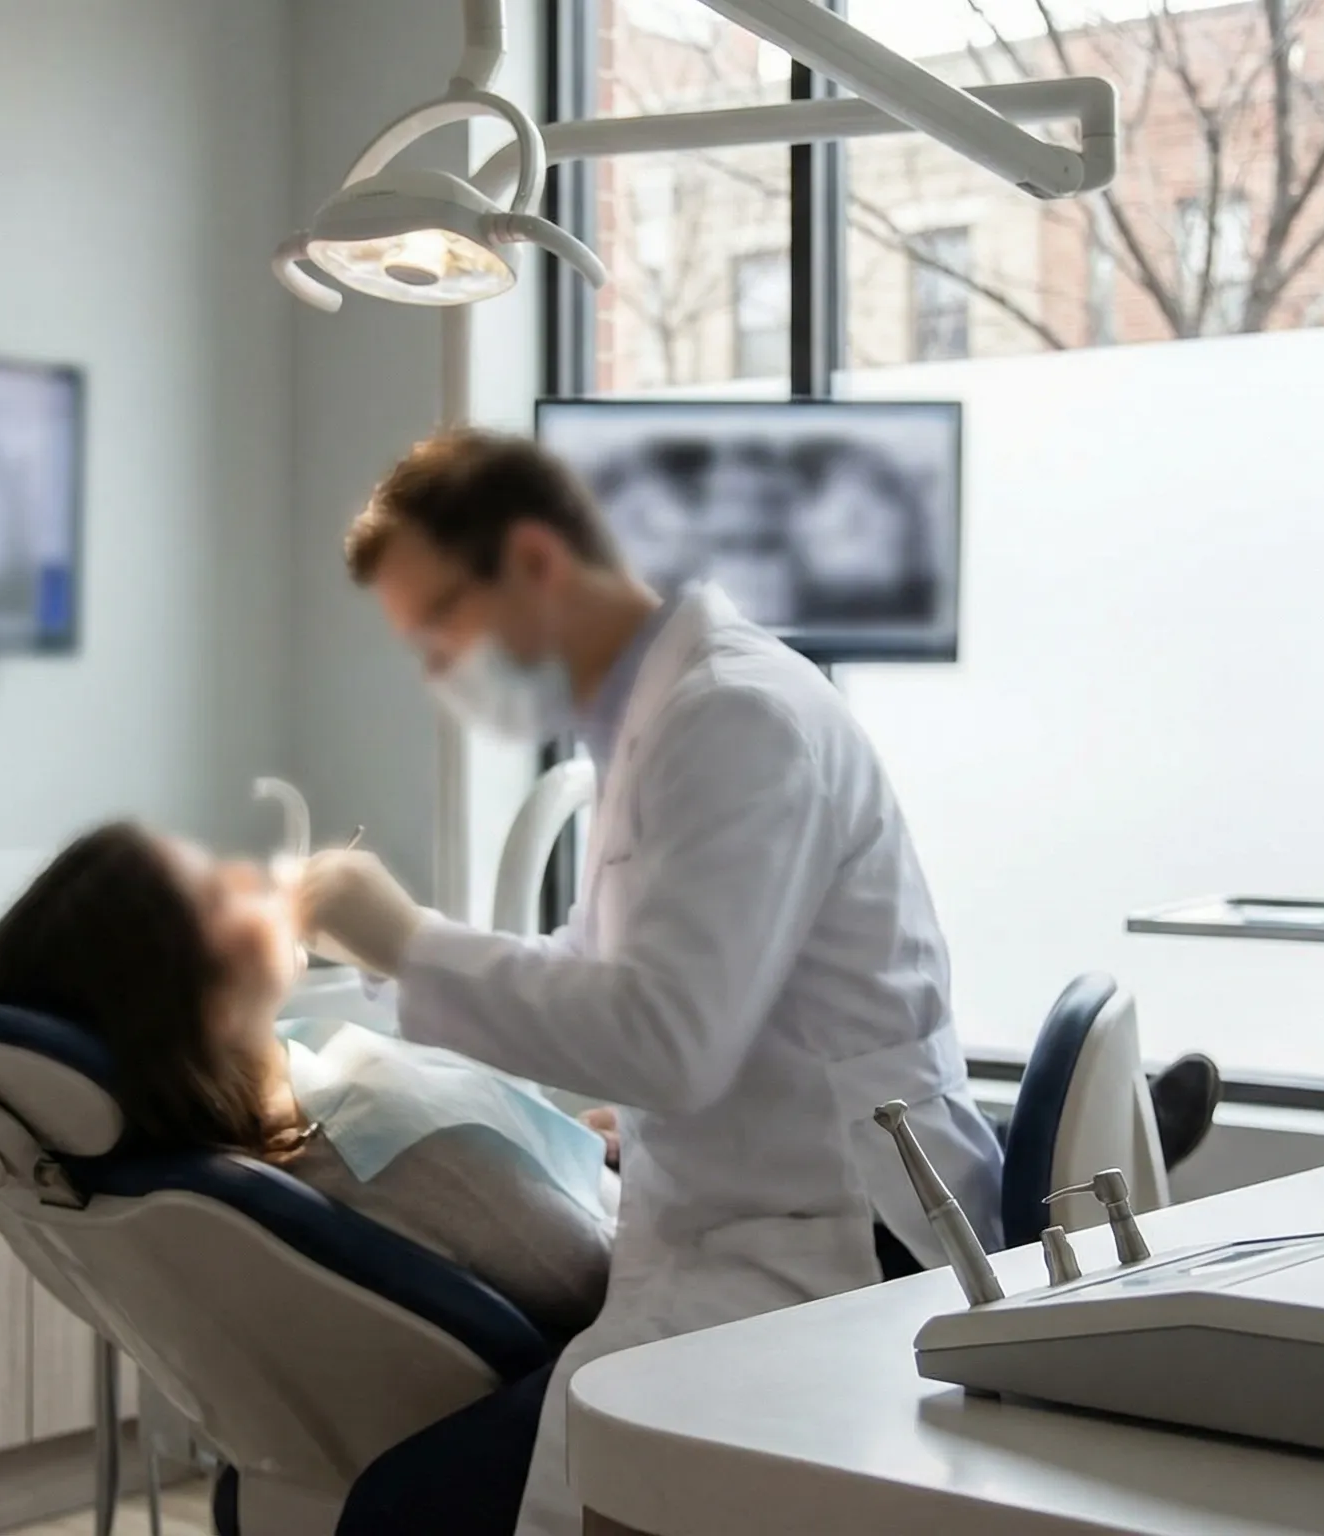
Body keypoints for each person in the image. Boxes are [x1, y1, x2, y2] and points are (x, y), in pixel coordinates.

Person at [293, 428, 1007, 1536]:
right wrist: (421, 974)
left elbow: (670, 1038)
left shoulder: (735, 716)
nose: (439, 673)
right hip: (750, 1208)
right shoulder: (649, 728)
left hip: (831, 1247)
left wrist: (403, 937)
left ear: (534, 564)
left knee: (411, 1510)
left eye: (441, 628)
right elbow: (601, 978)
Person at [0, 820, 612, 1339]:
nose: (259, 873)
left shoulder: (302, 1108)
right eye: (221, 891)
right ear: (194, 1006)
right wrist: (639, 1174)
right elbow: (592, 1273)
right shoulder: (406, 1147)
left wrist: (566, 1151)